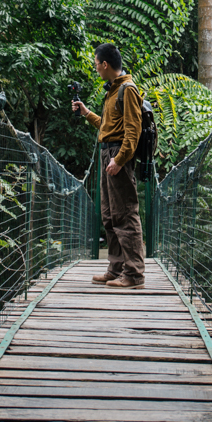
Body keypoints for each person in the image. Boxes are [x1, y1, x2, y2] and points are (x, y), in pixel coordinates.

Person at [72, 43, 145, 289]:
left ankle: (134, 275)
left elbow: (132, 134)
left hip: (117, 156)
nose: (96, 69)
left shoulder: (128, 90)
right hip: (108, 154)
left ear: (105, 64)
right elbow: (108, 127)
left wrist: (119, 160)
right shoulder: (113, 91)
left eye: (96, 65)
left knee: (125, 214)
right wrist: (86, 113)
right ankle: (116, 269)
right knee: (109, 215)